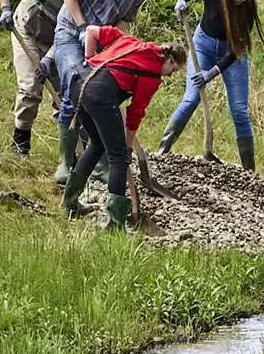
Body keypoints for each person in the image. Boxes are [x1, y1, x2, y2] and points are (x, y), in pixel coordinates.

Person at [49, 0, 169, 184]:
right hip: (71, 32)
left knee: (100, 96)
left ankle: (98, 163)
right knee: (76, 84)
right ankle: (65, 163)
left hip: (101, 45)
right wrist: (83, 27)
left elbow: (121, 25)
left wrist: (112, 51)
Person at [62, 25, 185, 230]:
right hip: (99, 94)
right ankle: (115, 223)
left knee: (99, 144)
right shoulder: (152, 73)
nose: (169, 75)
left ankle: (70, 202)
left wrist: (90, 59)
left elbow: (91, 31)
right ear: (170, 60)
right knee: (118, 157)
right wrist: (126, 149)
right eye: (173, 70)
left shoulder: (128, 40)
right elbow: (135, 113)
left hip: (79, 84)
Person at [157, 0, 262, 171]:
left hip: (233, 53)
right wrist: (181, 1)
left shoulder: (247, 6)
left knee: (239, 110)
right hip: (203, 46)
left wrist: (212, 73)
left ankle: (250, 172)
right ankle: (162, 152)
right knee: (191, 99)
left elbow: (238, 48)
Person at [0, 0, 96, 157]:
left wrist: (48, 59)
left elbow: (68, 31)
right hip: (26, 32)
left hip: (59, 42)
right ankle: (20, 143)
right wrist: (5, 8)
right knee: (31, 86)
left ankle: (71, 153)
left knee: (69, 95)